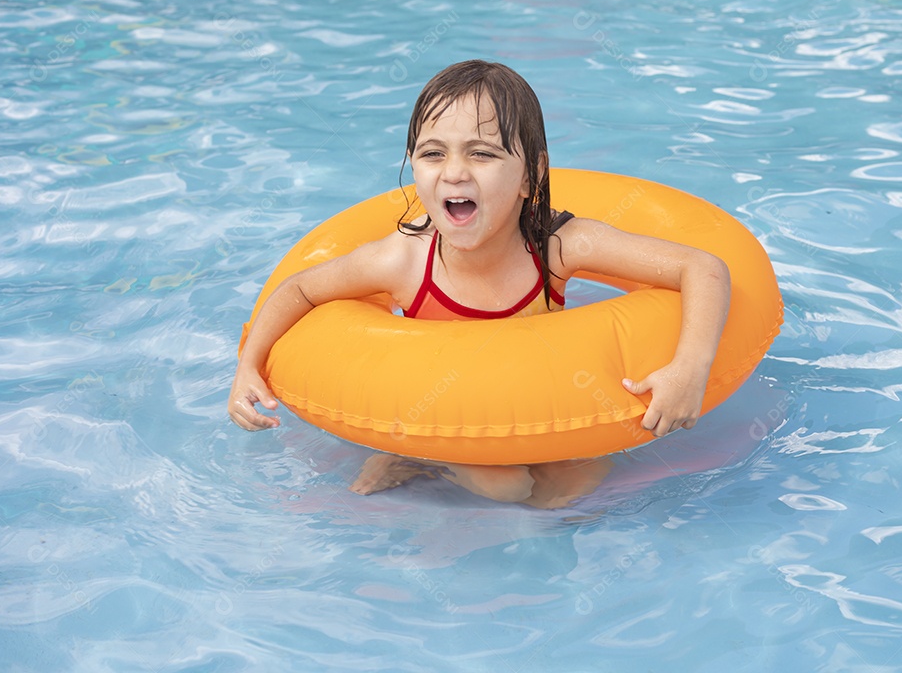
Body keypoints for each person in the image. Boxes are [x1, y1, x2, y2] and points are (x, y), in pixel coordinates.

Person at [228, 60, 730, 508]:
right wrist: (248, 366)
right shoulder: (402, 261)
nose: (454, 173)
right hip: (441, 413)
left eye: (482, 154)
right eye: (432, 153)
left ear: (530, 176)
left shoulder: (557, 245)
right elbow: (300, 289)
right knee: (505, 488)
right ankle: (411, 454)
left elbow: (703, 267)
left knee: (567, 494)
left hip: (536, 401)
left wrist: (689, 368)